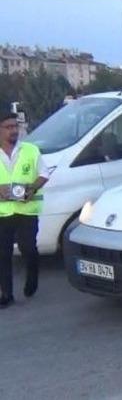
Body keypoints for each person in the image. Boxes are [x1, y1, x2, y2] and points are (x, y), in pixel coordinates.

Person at [0, 112, 49, 307]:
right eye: (8, 127)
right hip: (3, 213)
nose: (13, 131)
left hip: (27, 209)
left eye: (15, 126)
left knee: (27, 248)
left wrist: (33, 188)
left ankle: (32, 275)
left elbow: (44, 174)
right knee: (2, 254)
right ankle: (6, 294)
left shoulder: (30, 150)